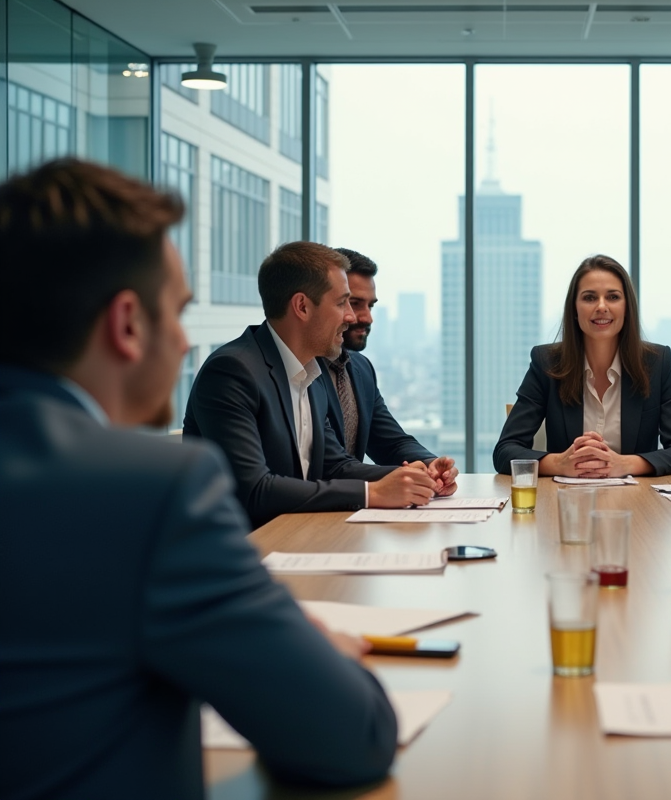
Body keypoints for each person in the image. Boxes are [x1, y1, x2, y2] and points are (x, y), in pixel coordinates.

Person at [0, 159, 397, 799]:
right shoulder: (154, 493)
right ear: (128, 324)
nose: (186, 342)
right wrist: (319, 647)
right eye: (177, 313)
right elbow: (356, 736)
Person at [184, 241, 437, 527]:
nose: (352, 317)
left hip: (297, 537)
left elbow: (335, 466)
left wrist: (412, 478)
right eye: (343, 303)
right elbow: (254, 490)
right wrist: (373, 492)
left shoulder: (311, 373)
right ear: (302, 307)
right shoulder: (232, 372)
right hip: (241, 551)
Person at [493, 254, 671, 477]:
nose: (601, 307)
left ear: (627, 307)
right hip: (567, 501)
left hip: (637, 501)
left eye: (613, 297)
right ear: (574, 309)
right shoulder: (547, 362)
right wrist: (560, 463)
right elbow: (505, 452)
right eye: (590, 298)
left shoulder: (656, 362)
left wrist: (624, 464)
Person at [319, 247, 457, 493]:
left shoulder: (360, 368)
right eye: (352, 303)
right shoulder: (302, 370)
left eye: (370, 306)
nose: (366, 317)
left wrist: (430, 465)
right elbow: (331, 464)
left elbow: (390, 442)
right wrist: (405, 475)